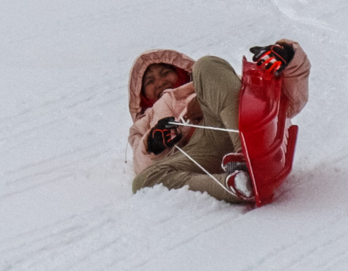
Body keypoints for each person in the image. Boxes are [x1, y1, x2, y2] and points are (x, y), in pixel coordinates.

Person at [126, 40, 310, 204]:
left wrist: (289, 59)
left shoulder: (210, 83)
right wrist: (153, 144)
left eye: (166, 72)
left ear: (181, 72)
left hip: (235, 127)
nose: (159, 81)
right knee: (144, 181)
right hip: (198, 152)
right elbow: (141, 163)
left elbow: (285, 101)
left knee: (206, 64)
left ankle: (244, 156)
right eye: (149, 81)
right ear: (142, 96)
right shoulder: (145, 121)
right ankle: (234, 186)